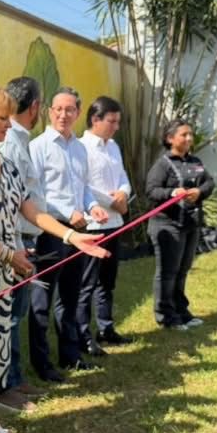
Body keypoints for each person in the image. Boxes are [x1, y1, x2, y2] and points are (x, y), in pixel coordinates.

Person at [0, 85, 109, 433]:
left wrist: (71, 236)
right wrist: (6, 253)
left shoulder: (5, 163)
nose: (9, 125)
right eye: (2, 118)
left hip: (6, 271)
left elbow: (31, 210)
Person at [28, 87, 110, 380]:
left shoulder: (79, 148)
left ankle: (70, 354)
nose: (63, 115)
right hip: (50, 231)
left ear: (77, 113)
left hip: (79, 230)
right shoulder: (38, 147)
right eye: (58, 109)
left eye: (69, 110)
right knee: (41, 301)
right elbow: (34, 196)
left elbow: (83, 187)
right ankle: (42, 363)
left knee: (70, 296)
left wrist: (92, 206)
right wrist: (67, 211)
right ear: (49, 111)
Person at [0, 76, 48, 412]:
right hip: (14, 242)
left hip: (21, 238)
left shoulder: (17, 140)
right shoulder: (11, 144)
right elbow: (11, 202)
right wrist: (14, 246)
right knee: (11, 316)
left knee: (16, 314)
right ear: (36, 106)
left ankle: (14, 377)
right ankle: (6, 385)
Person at [77, 96, 135, 354]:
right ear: (95, 119)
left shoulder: (113, 147)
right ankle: (83, 335)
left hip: (115, 221)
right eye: (112, 121)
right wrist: (113, 201)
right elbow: (84, 185)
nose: (116, 127)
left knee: (107, 281)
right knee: (87, 283)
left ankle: (106, 328)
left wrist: (123, 194)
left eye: (118, 122)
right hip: (93, 224)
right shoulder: (82, 147)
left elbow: (123, 177)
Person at [145, 118, 215, 330]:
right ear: (170, 138)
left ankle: (181, 311)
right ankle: (166, 316)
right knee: (168, 272)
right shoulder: (163, 164)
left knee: (182, 270)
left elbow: (209, 182)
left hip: (190, 225)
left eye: (190, 134)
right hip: (167, 226)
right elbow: (151, 191)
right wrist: (172, 192)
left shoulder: (195, 162)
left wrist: (199, 192)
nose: (189, 138)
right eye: (184, 135)